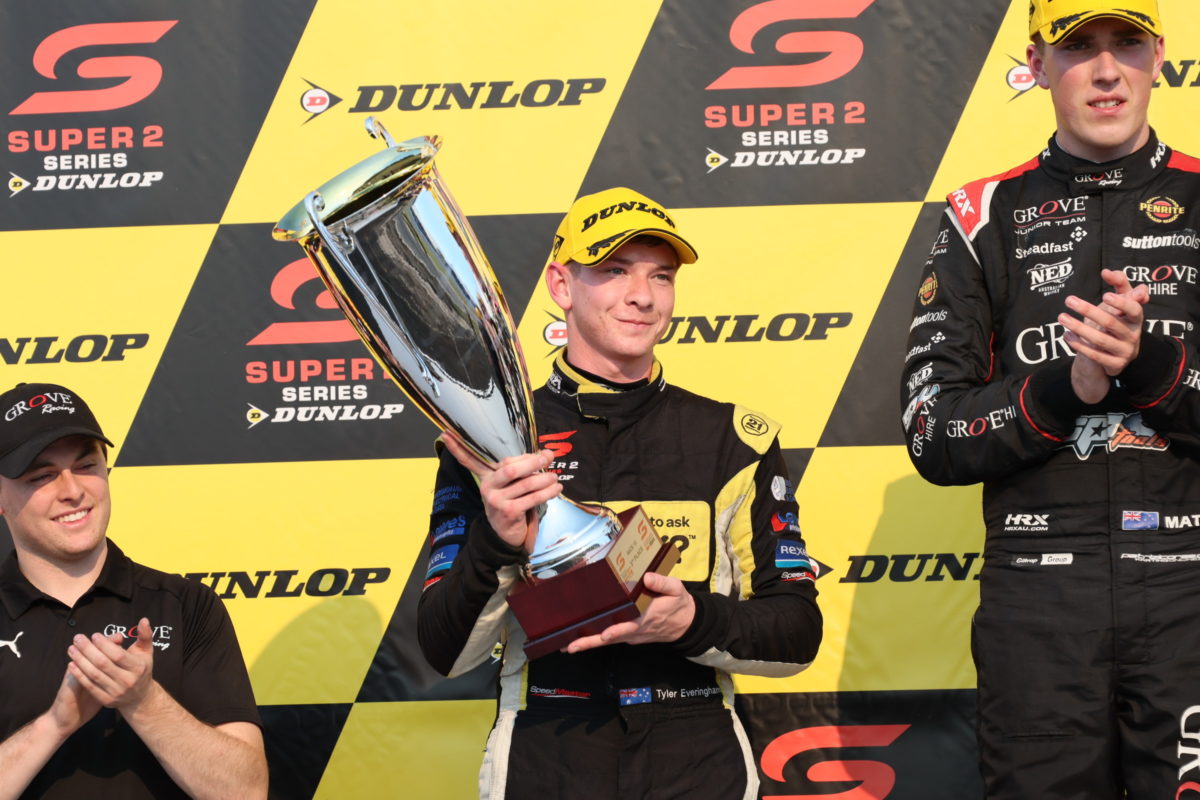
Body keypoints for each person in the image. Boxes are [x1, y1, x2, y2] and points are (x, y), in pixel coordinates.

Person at [417, 187, 822, 799]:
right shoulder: (492, 442)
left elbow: (797, 634)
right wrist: (494, 544)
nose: (643, 296)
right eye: (614, 271)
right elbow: (446, 653)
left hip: (698, 763)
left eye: (662, 275)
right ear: (561, 285)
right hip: (544, 760)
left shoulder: (735, 440)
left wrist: (690, 620)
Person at [900, 1, 1200, 796]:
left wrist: (1151, 365)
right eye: (1077, 47)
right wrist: (1068, 388)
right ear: (1036, 64)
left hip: (1190, 590)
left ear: (1159, 56)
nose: (1105, 72)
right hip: (1038, 597)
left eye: (1125, 44)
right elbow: (932, 432)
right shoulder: (980, 215)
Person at [0, 383, 267, 799]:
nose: (72, 490)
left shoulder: (187, 606)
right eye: (43, 476)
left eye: (86, 465)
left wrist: (143, 702)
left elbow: (245, 792)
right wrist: (53, 726)